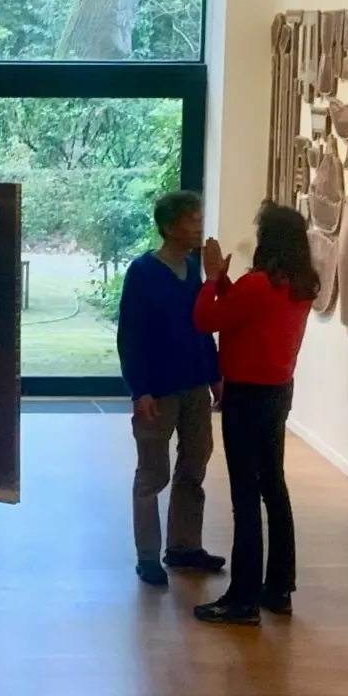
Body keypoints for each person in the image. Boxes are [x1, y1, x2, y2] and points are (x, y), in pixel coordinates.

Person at [191, 202, 321, 625]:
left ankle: (242, 598)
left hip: (246, 395)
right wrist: (225, 281)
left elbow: (205, 319)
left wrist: (210, 280)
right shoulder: (299, 285)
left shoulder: (260, 283)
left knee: (244, 495)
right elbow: (245, 312)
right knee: (273, 487)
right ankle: (278, 587)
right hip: (279, 391)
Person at [117, 191, 224, 587]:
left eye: (199, 218)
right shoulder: (143, 271)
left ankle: (183, 547)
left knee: (194, 465)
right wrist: (139, 389)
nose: (198, 226)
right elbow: (130, 335)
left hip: (194, 384)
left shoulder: (195, 268)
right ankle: (148, 556)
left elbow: (203, 326)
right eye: (191, 220)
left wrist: (215, 374)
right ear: (168, 227)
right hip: (158, 389)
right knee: (152, 474)